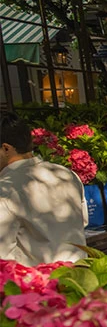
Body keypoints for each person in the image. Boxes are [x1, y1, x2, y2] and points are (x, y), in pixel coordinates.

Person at [0, 112, 87, 265]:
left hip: (39, 284)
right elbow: (83, 222)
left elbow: (3, 256)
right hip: (81, 276)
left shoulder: (5, 188)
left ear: (6, 149)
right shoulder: (65, 173)